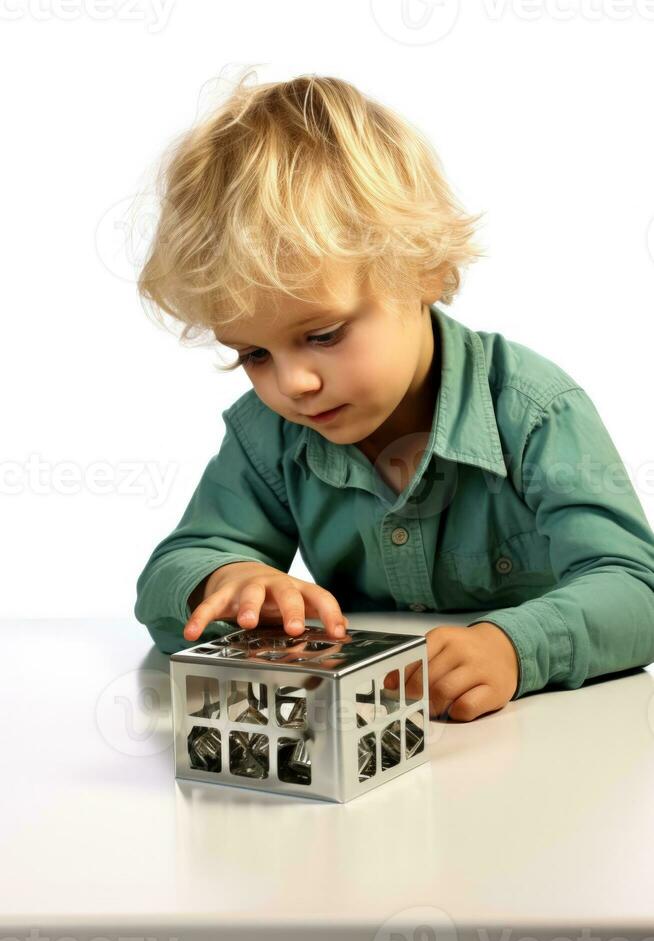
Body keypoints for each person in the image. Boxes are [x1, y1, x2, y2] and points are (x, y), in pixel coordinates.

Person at [133, 71, 654, 722]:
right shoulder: (267, 433)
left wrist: (513, 649)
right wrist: (227, 580)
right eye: (254, 354)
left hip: (544, 740)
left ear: (424, 272)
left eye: (322, 334)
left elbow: (635, 588)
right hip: (372, 732)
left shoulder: (532, 408)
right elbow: (169, 573)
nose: (291, 384)